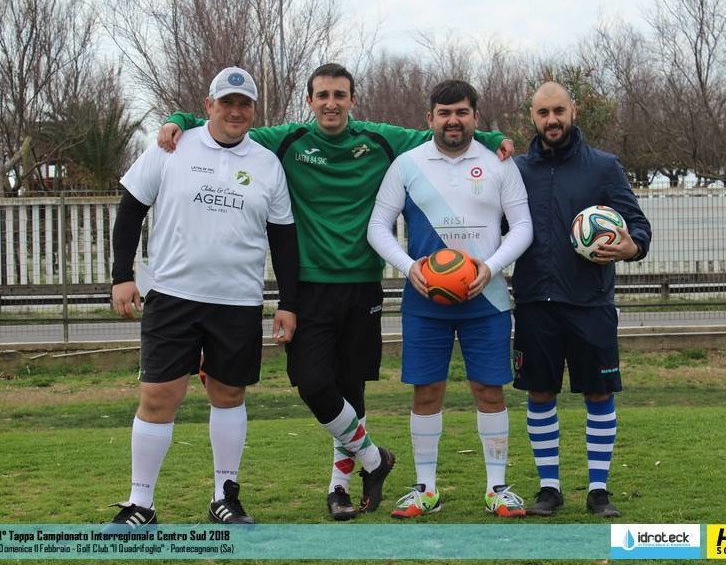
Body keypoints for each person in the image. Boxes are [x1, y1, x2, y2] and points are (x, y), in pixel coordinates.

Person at [157, 63, 515, 520]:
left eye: (340, 95)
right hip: (307, 287)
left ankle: (339, 488)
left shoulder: (381, 139)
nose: (331, 103)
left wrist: (492, 137)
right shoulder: (286, 140)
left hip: (361, 285)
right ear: (309, 102)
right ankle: (373, 459)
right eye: (322, 95)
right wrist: (179, 119)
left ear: (352, 100)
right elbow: (229, 123)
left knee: (351, 389)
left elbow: (446, 131)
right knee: (313, 383)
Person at [107, 66, 299, 529]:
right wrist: (121, 275)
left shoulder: (267, 164)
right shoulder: (174, 145)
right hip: (173, 294)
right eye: (226, 102)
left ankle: (224, 497)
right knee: (158, 396)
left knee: (228, 394)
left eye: (244, 104)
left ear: (253, 110)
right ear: (209, 105)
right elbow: (131, 208)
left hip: (237, 300)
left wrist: (288, 302)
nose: (235, 111)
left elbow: (284, 240)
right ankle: (141, 505)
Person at [367, 80, 533, 518]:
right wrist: (410, 267)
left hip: (488, 298)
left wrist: (490, 268)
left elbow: (523, 227)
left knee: (489, 391)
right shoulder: (407, 165)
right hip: (426, 300)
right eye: (444, 113)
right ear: (430, 119)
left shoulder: (500, 163)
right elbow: (377, 227)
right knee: (426, 393)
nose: (453, 120)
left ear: (475, 116)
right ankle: (427, 490)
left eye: (461, 112)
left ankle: (497, 489)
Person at [511, 81, 652, 518]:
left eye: (558, 110)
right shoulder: (516, 170)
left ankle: (599, 490)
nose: (551, 120)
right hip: (535, 302)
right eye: (542, 113)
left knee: (598, 393)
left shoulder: (604, 167)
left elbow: (638, 226)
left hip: (591, 303)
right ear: (531, 117)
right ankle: (549, 489)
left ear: (573, 110)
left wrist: (632, 247)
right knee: (539, 393)